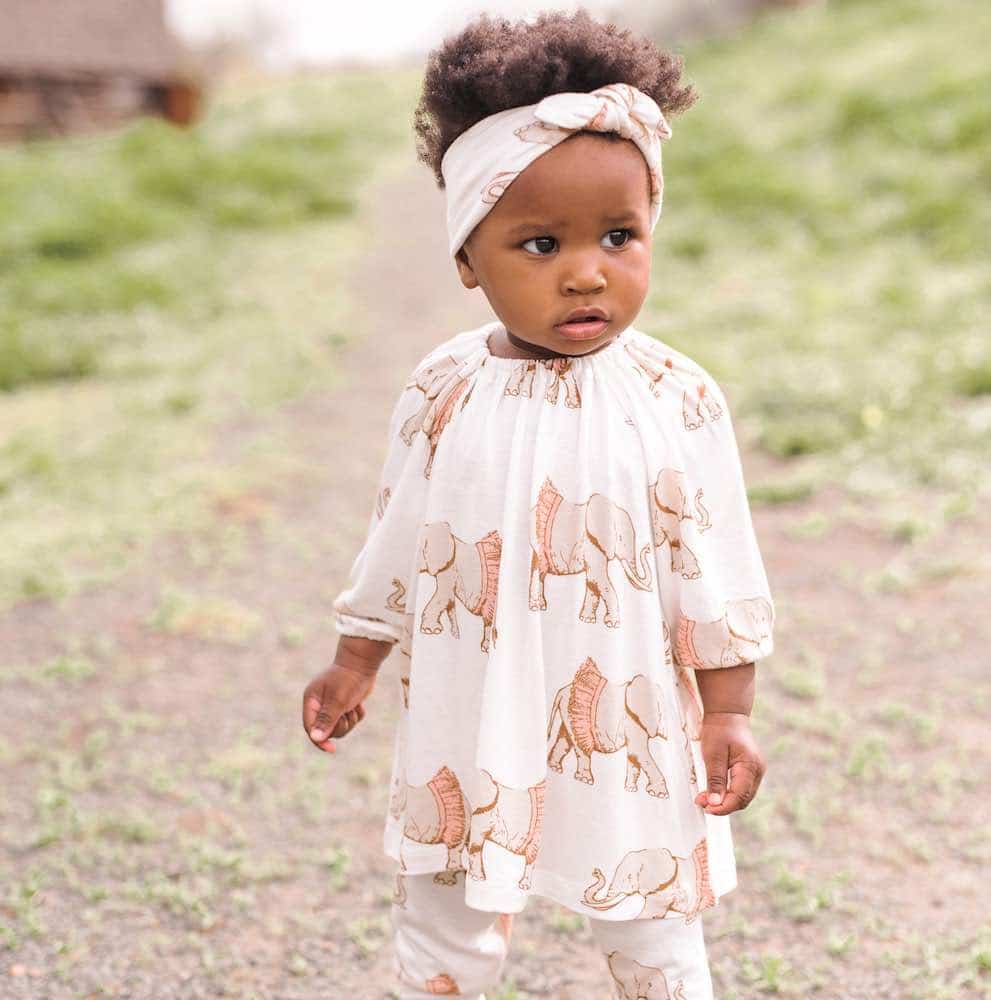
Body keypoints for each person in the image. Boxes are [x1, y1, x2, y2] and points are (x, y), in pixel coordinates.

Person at [302, 9, 776, 998]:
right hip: (471, 707)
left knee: (652, 928)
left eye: (619, 235)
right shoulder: (441, 390)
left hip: (632, 713)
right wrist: (355, 657)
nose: (587, 269)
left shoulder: (677, 397)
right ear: (468, 260)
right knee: (447, 920)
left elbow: (714, 559)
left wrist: (726, 709)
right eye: (538, 243)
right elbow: (395, 536)